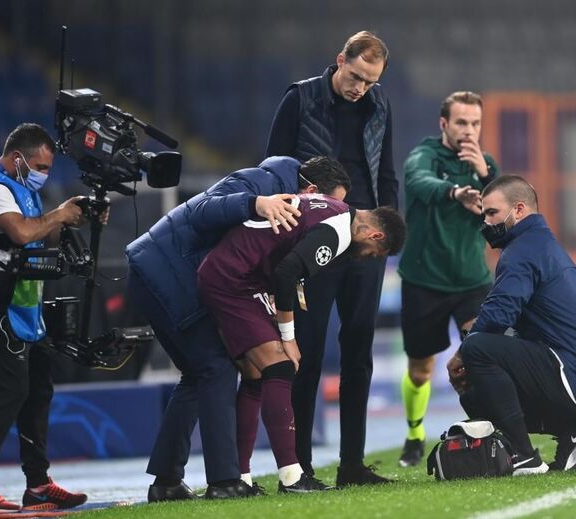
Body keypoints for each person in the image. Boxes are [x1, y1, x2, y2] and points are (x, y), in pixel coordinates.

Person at [125, 156, 351, 501]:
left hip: (166, 271)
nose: (332, 215)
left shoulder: (290, 207)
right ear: (312, 192)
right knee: (216, 366)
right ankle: (225, 481)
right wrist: (255, 203)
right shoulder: (260, 182)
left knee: (197, 374)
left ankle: (167, 481)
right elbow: (201, 211)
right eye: (332, 205)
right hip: (166, 270)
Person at [198, 193, 405, 493]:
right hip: (235, 280)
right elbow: (286, 273)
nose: (367, 257)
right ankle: (292, 477)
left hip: (234, 273)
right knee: (280, 366)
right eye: (375, 253)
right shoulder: (338, 232)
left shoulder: (334, 208)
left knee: (254, 375)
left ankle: (239, 479)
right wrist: (288, 337)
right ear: (375, 235)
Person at [265, 30, 398, 487]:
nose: (361, 87)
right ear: (340, 59)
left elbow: (386, 172)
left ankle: (352, 466)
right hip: (313, 241)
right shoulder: (300, 99)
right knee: (307, 353)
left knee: (359, 352)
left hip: (364, 242)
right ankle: (299, 467)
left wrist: (389, 233)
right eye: (356, 76)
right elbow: (273, 168)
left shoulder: (380, 104)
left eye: (370, 81)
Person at [0, 123, 91, 513]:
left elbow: (37, 238)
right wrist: (58, 214)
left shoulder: (21, 188)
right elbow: (21, 234)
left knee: (38, 389)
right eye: (40, 166)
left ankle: (39, 485)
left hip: (22, 303)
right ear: (17, 158)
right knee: (9, 388)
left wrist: (67, 220)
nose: (44, 173)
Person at [447, 175, 576, 475]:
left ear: (519, 210)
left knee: (477, 349)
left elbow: (498, 315)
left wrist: (464, 351)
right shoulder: (540, 244)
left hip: (572, 373)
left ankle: (524, 456)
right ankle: (572, 430)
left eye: (492, 213)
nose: (486, 222)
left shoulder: (522, 250)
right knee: (475, 386)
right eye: (484, 214)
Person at [396, 91, 499, 467]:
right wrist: (454, 192)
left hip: (471, 281)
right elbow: (419, 181)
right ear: (444, 124)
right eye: (461, 122)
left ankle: (491, 433)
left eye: (475, 123)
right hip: (424, 281)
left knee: (481, 357)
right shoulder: (424, 156)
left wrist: (486, 178)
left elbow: (503, 210)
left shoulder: (487, 166)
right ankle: (414, 434)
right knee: (420, 370)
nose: (469, 130)